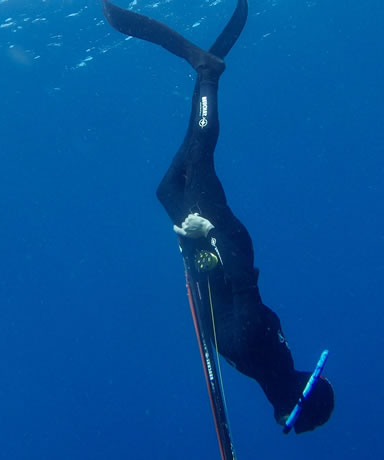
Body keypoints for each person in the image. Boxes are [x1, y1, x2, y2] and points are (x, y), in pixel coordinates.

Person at [101, 0, 334, 433]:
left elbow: (223, 306)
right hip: (219, 237)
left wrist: (192, 256)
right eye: (289, 418)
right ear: (291, 403)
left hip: (208, 251)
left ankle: (205, 72)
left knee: (171, 183)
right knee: (198, 162)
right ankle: (207, 71)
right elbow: (244, 287)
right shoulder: (270, 357)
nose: (281, 419)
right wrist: (206, 236)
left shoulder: (269, 369)